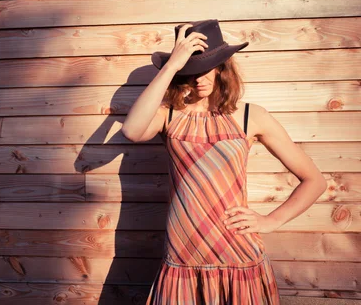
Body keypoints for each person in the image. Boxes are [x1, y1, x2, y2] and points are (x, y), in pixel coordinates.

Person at [121, 19, 327, 304]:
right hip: (184, 250)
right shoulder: (168, 115)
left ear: (222, 67)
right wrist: (171, 66)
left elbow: (315, 181)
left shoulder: (249, 116)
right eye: (190, 70)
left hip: (238, 250)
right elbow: (131, 131)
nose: (199, 78)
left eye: (206, 69)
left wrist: (271, 220)